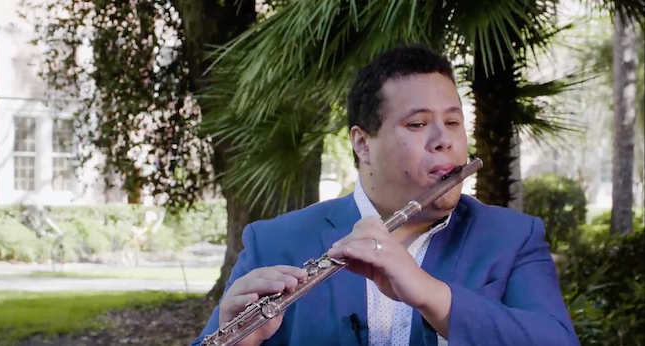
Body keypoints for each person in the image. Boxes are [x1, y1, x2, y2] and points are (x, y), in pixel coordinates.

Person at [191, 44, 580, 346]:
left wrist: (431, 294)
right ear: (362, 144)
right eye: (418, 123)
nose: (444, 140)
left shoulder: (514, 237)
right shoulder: (274, 241)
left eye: (453, 122)